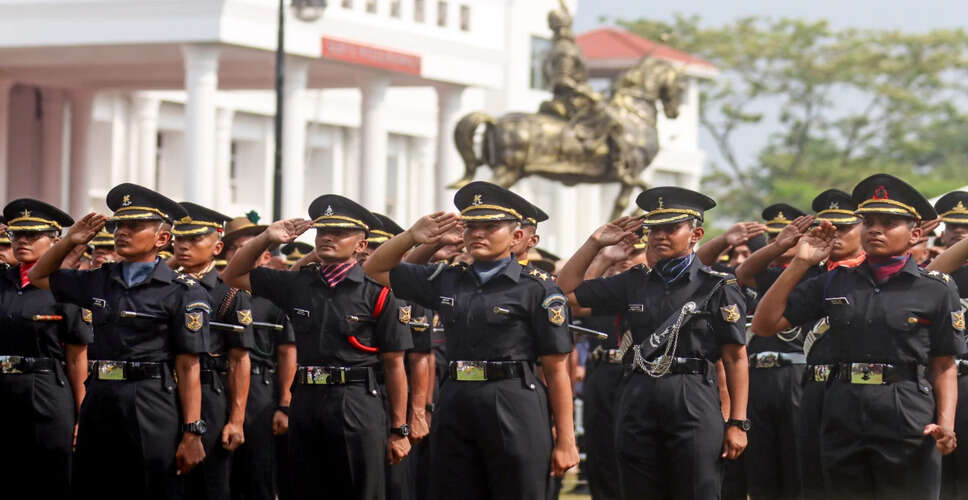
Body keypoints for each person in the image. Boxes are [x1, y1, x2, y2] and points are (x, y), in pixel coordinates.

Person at [362, 181, 579, 500]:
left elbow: (557, 369)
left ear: (517, 236)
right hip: (457, 397)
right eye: (471, 226)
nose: (478, 234)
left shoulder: (538, 290)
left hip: (513, 398)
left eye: (490, 226)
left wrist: (566, 439)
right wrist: (412, 236)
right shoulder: (447, 280)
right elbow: (374, 269)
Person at [752, 173, 962, 498]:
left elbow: (944, 365)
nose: (875, 229)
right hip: (842, 409)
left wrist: (946, 423)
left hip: (905, 409)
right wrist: (800, 263)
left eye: (889, 222)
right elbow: (764, 325)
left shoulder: (934, 289)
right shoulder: (835, 282)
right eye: (869, 221)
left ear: (915, 234)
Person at [558, 186, 750, 500]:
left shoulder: (716, 286)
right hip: (638, 394)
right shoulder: (633, 282)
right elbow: (565, 295)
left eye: (671, 228)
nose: (659, 236)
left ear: (695, 233)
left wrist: (738, 422)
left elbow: (735, 358)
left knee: (696, 491)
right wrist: (596, 246)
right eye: (653, 229)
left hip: (692, 394)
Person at [27, 183, 213, 499]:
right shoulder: (100, 279)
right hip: (100, 395)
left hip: (150, 398)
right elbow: (39, 276)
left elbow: (189, 364)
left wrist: (192, 431)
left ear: (162, 238)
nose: (122, 232)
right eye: (118, 225)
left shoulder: (182, 292)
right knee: (95, 483)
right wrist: (71, 241)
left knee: (151, 486)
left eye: (134, 225)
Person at [221, 194, 412, 500]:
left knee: (359, 490)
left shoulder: (377, 294)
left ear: (361, 245)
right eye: (323, 231)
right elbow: (232, 275)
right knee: (305, 488)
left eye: (339, 232)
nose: (328, 238)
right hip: (307, 398)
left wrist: (399, 428)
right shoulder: (297, 284)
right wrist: (266, 238)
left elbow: (394, 364)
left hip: (356, 400)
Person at [0, 199, 93, 498]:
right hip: (3, 385)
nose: (22, 241)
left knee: (50, 476)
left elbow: (77, 356)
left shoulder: (64, 287)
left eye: (32, 235)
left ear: (55, 240)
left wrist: (82, 415)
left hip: (46, 388)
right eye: (17, 235)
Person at [173, 203, 255, 500]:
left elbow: (239, 360)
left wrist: (235, 420)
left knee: (210, 483)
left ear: (217, 246)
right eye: (179, 238)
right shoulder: (165, 286)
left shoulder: (229, 293)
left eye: (195, 239)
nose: (184, 246)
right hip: (163, 391)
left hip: (210, 393)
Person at [220, 215, 298, 500]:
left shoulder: (273, 298)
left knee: (257, 470)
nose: (242, 253)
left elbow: (288, 352)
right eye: (236, 249)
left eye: (250, 247)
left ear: (265, 254)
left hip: (260, 391)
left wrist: (285, 404)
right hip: (219, 385)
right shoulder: (218, 292)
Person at [925, 191, 968, 500]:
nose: (959, 230)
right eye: (952, 224)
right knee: (942, 479)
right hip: (942, 379)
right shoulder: (937, 275)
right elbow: (934, 272)